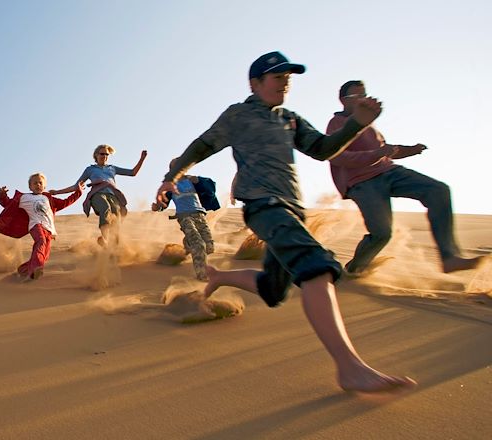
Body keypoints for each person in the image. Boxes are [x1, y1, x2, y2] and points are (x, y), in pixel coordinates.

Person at [155, 51, 416, 393]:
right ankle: (350, 368)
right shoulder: (238, 115)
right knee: (316, 267)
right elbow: (201, 146)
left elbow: (322, 149)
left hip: (292, 208)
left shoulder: (289, 118)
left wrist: (357, 124)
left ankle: (219, 277)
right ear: (256, 83)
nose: (285, 83)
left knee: (275, 288)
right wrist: (170, 177)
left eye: (288, 78)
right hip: (264, 205)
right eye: (278, 77)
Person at [328, 80, 485, 276]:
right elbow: (340, 157)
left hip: (389, 172)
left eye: (365, 95)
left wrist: (409, 150)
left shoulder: (368, 123)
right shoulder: (337, 124)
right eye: (357, 97)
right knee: (382, 234)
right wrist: (376, 154)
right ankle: (354, 270)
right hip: (362, 182)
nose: (363, 100)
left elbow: (385, 150)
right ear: (343, 100)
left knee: (438, 190)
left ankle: (450, 257)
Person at [50, 144, 147, 247]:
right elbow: (76, 186)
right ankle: (105, 238)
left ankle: (113, 245)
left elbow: (132, 172)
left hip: (113, 195)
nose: (104, 156)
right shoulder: (90, 169)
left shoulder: (112, 168)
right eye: (102, 154)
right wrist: (57, 192)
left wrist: (142, 159)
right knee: (105, 207)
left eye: (107, 154)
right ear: (96, 155)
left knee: (116, 214)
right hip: (97, 194)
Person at [0, 173, 83, 280]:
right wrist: (2, 196)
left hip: (49, 230)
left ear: (44, 186)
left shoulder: (48, 198)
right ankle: (34, 270)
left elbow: (65, 202)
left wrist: (78, 193)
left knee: (44, 257)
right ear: (30, 187)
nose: (38, 185)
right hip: (36, 225)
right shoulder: (24, 198)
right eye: (35, 183)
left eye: (40, 183)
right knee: (40, 242)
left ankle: (23, 270)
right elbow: (8, 204)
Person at [152, 159, 215, 280]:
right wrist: (157, 206)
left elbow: (210, 188)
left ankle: (185, 246)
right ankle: (202, 275)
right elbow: (162, 203)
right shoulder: (170, 185)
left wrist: (200, 181)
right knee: (199, 245)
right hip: (184, 216)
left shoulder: (193, 180)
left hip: (200, 214)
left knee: (209, 247)